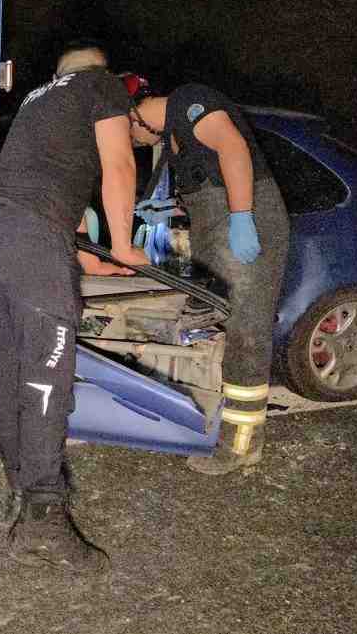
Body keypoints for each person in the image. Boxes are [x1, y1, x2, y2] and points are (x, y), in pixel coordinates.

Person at [0, 41, 148, 572]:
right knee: (48, 366)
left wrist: (79, 260)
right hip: (27, 233)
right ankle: (43, 515)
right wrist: (122, 242)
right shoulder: (101, 85)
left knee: (7, 363)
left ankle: (20, 488)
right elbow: (118, 164)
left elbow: (45, 192)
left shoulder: (37, 100)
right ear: (102, 68)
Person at [125, 78, 291, 475]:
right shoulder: (173, 135)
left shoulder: (190, 102)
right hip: (218, 231)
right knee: (223, 329)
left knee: (247, 334)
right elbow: (207, 182)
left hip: (249, 223)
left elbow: (233, 149)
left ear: (133, 114)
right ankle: (220, 424)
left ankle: (242, 444)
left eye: (127, 134)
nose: (131, 143)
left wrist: (242, 217)